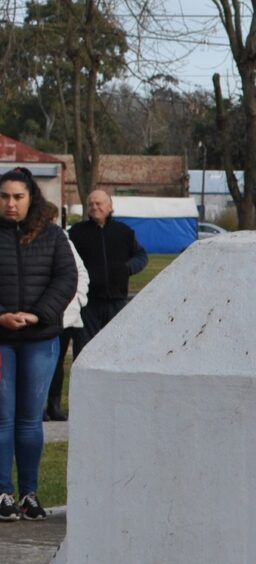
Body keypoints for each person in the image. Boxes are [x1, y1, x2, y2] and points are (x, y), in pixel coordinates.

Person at [0, 167, 79, 522]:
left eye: (17, 196)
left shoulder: (51, 235)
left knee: (30, 421)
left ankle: (29, 494)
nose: (10, 204)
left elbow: (67, 278)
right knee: (3, 419)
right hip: (1, 340)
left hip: (39, 340)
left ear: (31, 197)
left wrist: (37, 315)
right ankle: (3, 493)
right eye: (4, 197)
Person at [68, 190, 148, 346]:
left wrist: (127, 269)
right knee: (84, 349)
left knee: (115, 347)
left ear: (110, 207)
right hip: (87, 304)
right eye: (90, 204)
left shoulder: (124, 232)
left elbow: (141, 256)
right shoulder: (76, 233)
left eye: (99, 203)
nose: (94, 207)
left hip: (117, 302)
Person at [44, 240, 89, 421]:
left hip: (65, 315)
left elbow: (80, 273)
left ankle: (54, 404)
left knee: (58, 361)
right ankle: (39, 406)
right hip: (37, 317)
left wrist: (79, 301)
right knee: (42, 364)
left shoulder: (61, 239)